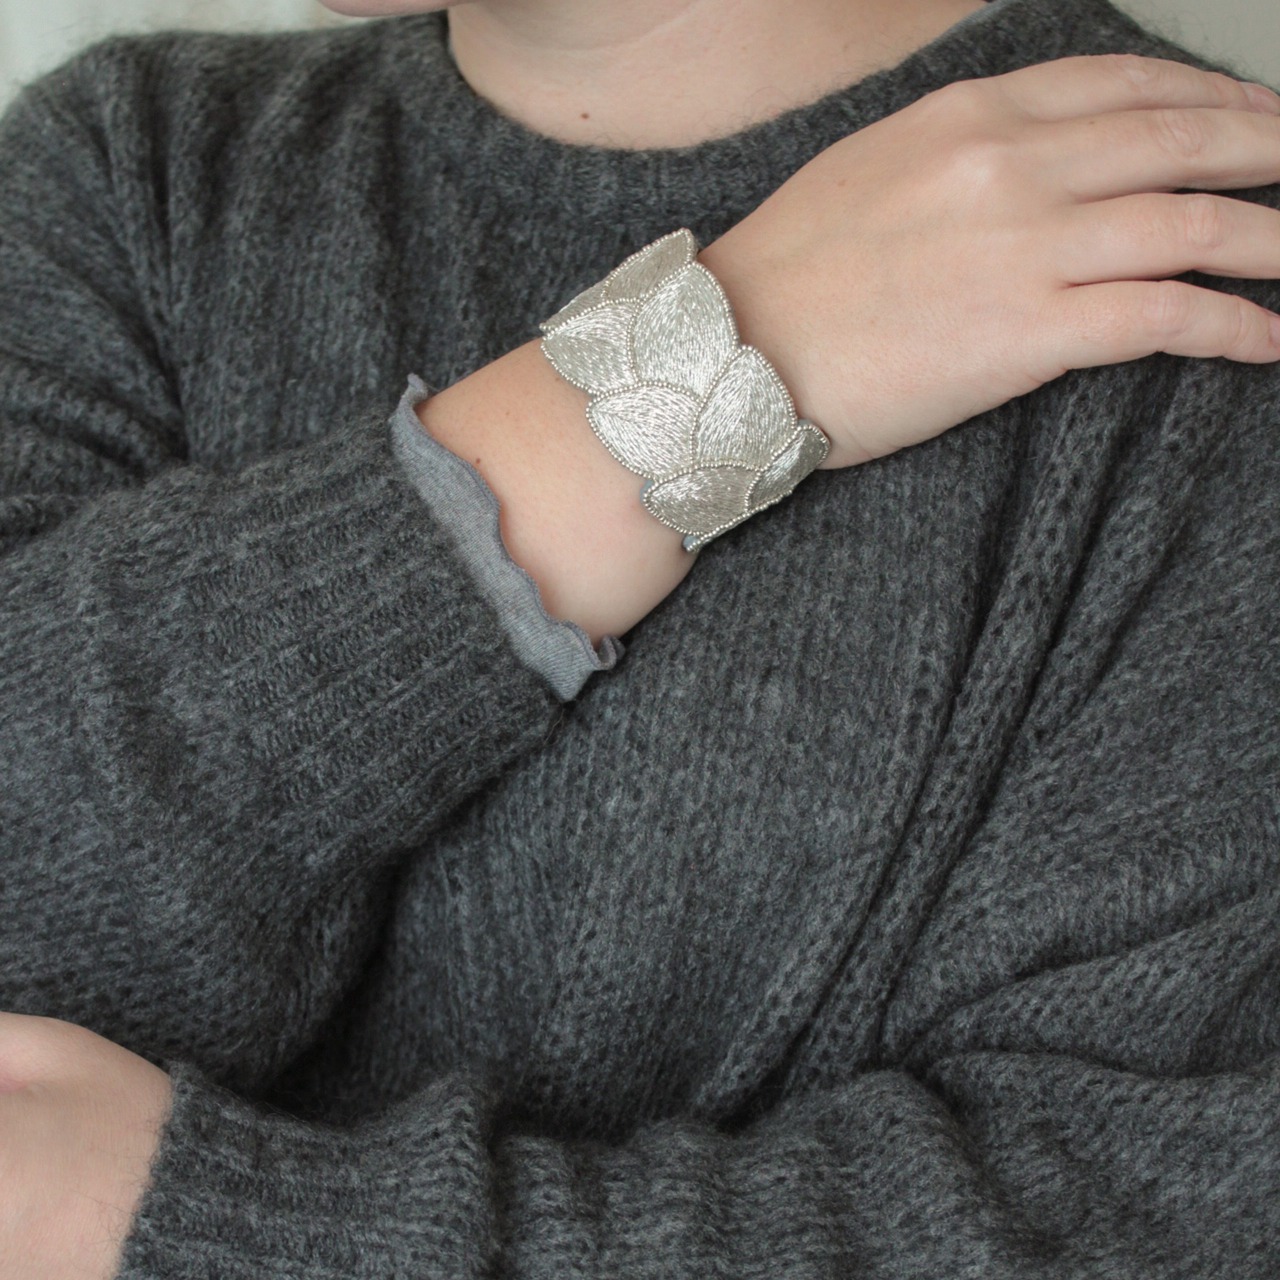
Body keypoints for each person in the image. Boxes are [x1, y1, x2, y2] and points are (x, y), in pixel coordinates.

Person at [0, 0, 1277, 1274]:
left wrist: (223, 1233)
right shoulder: (128, 173)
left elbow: (1160, 1213)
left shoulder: (1194, 288)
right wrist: (696, 363)